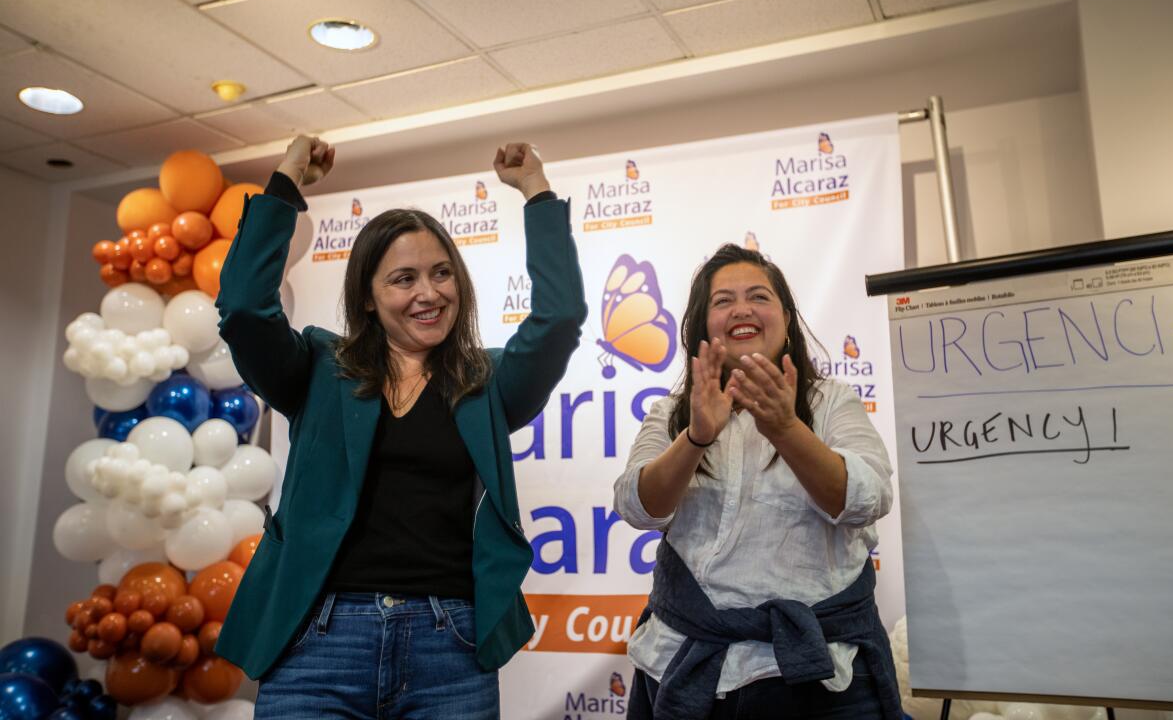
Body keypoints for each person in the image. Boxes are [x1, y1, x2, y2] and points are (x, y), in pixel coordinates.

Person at [213, 135, 587, 719]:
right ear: (366, 297)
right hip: (319, 642)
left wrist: (535, 190)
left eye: (442, 274)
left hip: (450, 649)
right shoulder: (316, 368)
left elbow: (559, 316)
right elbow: (242, 307)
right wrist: (286, 181)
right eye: (403, 279)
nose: (429, 293)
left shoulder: (486, 383)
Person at [613, 244, 901, 720]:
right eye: (723, 300)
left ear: (785, 319)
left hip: (821, 675)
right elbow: (638, 507)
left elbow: (867, 498)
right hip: (685, 665)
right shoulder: (671, 414)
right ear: (703, 326)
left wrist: (786, 429)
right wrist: (698, 436)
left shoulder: (832, 402)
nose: (742, 309)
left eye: (758, 297)